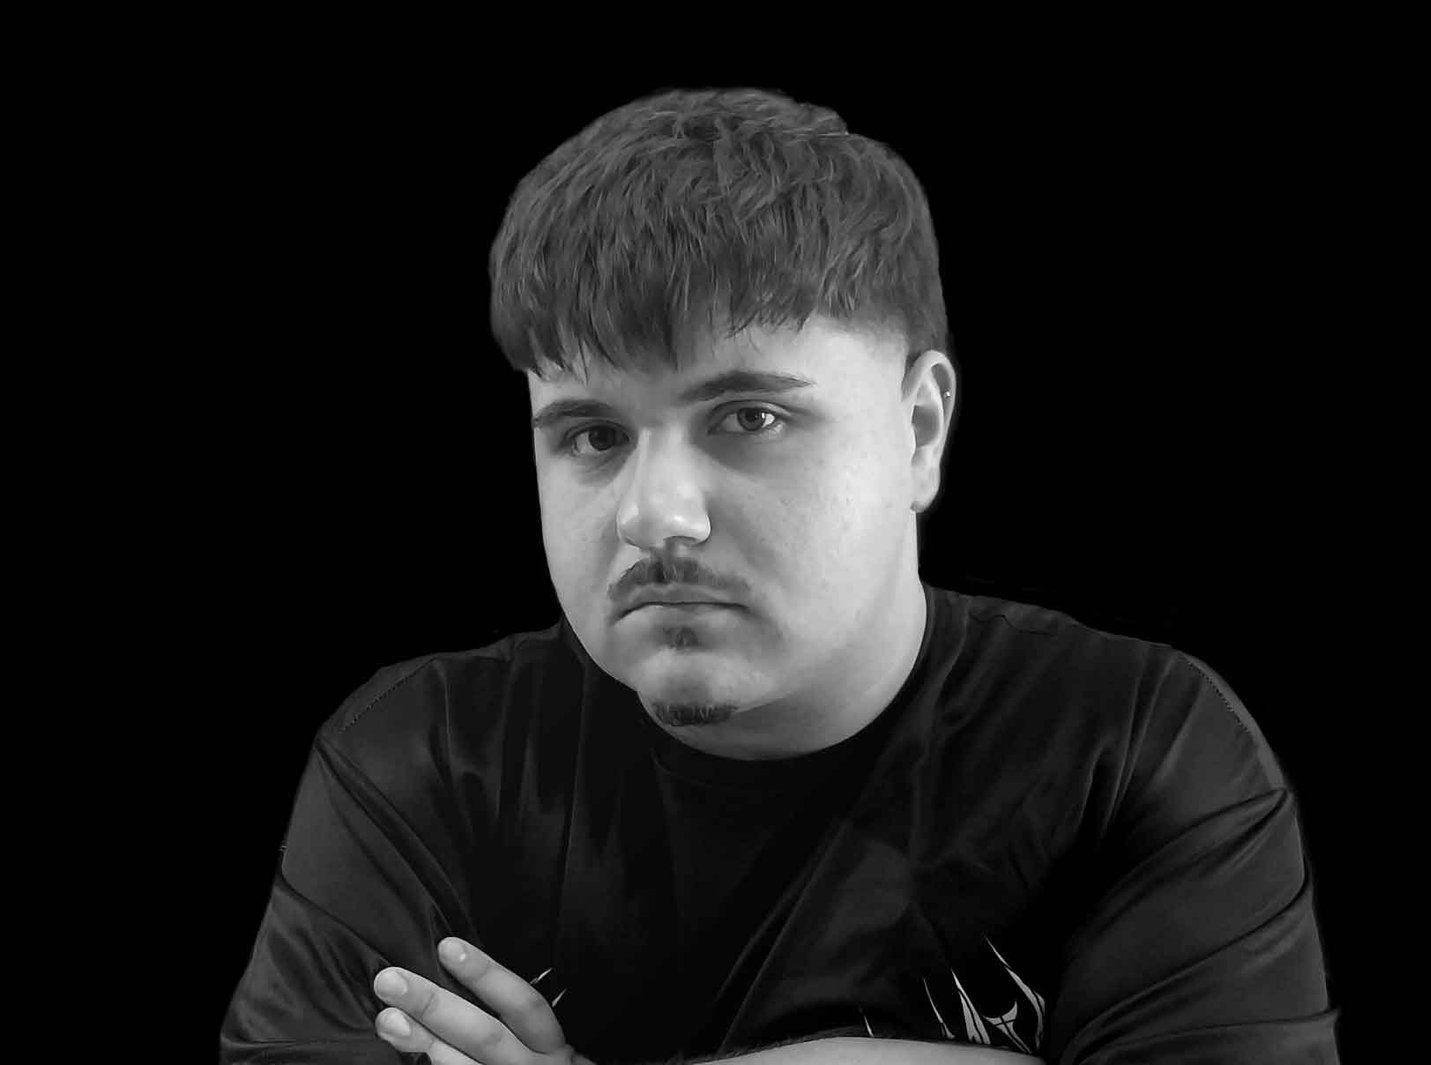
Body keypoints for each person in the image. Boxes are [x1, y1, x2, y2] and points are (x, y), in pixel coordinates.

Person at [219, 86, 1340, 1064]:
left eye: (748, 417)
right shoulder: (423, 762)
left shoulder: (1132, 747)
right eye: (594, 436)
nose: (654, 515)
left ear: (919, 429)